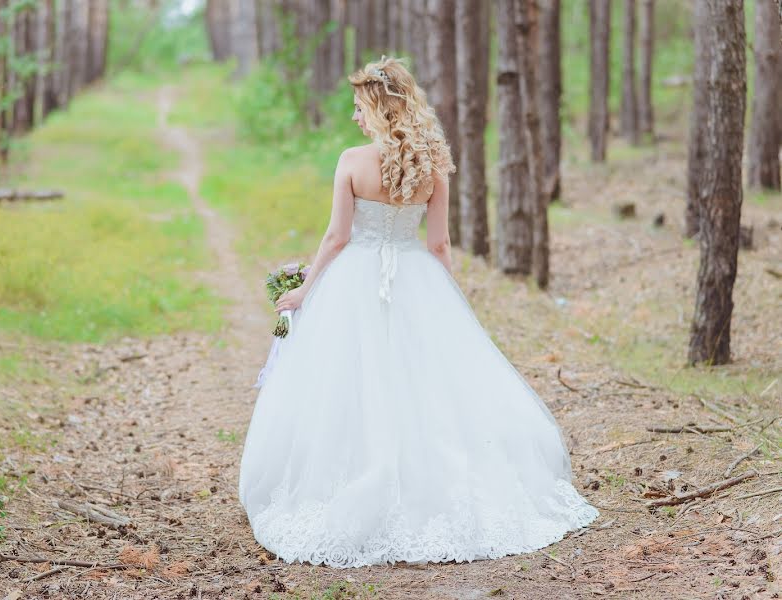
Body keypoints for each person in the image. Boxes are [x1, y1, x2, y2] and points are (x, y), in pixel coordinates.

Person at [237, 56, 598, 569]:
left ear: (381, 108)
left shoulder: (351, 162)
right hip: (417, 279)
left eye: (360, 107)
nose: (356, 117)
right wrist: (450, 302)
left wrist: (304, 290)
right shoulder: (433, 165)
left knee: (353, 383)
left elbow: (337, 237)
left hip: (355, 281)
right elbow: (439, 243)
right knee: (425, 384)